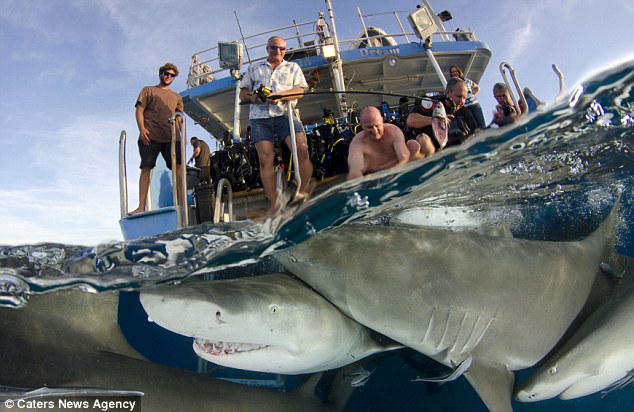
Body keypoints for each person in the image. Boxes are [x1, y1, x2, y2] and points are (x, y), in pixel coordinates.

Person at [239, 36, 312, 216]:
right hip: (260, 118)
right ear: (267, 48)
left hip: (285, 114)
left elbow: (301, 90)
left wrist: (281, 95)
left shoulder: (293, 67)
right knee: (265, 159)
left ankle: (302, 193)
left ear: (285, 50)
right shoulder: (254, 68)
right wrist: (253, 97)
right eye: (274, 47)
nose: (278, 51)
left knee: (302, 149)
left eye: (281, 48)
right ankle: (274, 204)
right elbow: (242, 93)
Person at [129, 63, 184, 215]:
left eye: (172, 75)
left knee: (179, 167)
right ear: (161, 74)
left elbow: (179, 118)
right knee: (146, 167)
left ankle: (181, 202)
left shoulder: (177, 97)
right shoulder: (148, 90)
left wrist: (182, 135)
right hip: (150, 134)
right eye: (167, 73)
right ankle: (141, 206)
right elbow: (139, 110)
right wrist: (142, 129)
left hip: (171, 137)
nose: (169, 77)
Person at [406, 77, 478, 160]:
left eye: (464, 98)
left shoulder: (465, 112)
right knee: (422, 138)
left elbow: (476, 133)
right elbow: (410, 120)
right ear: (447, 92)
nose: (461, 101)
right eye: (458, 96)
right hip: (433, 150)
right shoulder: (432, 103)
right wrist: (436, 120)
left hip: (457, 153)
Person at [346, 106, 413, 180]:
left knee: (414, 145)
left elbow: (404, 157)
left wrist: (392, 172)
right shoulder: (357, 143)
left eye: (377, 126)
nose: (375, 131)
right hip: (375, 178)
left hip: (398, 171)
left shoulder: (393, 131)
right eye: (369, 127)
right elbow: (355, 171)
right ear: (362, 126)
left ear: (382, 121)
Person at [449, 65, 486, 129]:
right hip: (465, 108)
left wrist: (474, 95)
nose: (455, 73)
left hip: (474, 105)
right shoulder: (452, 85)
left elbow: (477, 88)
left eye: (456, 71)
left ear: (459, 72)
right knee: (473, 127)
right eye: (453, 72)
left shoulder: (466, 80)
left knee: (482, 125)